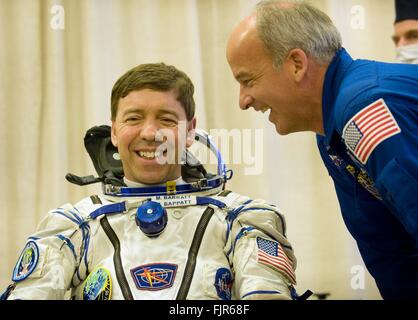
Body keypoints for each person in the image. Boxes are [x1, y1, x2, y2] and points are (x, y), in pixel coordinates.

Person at [1, 63, 298, 300]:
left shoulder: (242, 219)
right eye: (133, 119)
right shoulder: (71, 227)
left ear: (190, 130)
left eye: (167, 119)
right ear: (114, 131)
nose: (150, 132)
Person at [226, 0, 418, 299]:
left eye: (248, 80)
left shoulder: (363, 109)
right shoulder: (330, 130)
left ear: (296, 65)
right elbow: (389, 254)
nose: (243, 100)